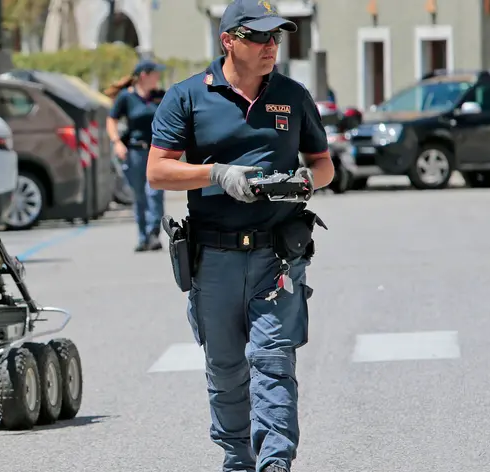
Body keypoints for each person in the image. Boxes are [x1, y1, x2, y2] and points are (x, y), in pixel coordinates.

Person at [145, 1, 334, 471]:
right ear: (229, 40)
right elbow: (157, 171)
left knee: (273, 363)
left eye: (277, 37)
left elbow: (323, 164)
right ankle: (237, 459)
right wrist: (218, 175)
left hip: (277, 257)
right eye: (260, 37)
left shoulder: (293, 96)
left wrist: (306, 181)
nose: (272, 46)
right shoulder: (187, 97)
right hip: (214, 257)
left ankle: (275, 462)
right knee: (227, 371)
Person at [105, 59, 167, 252]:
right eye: (155, 73)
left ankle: (153, 232)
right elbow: (111, 119)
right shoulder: (127, 97)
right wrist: (116, 142)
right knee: (140, 196)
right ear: (144, 76)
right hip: (135, 152)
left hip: (157, 151)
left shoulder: (160, 96)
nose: (158, 77)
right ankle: (143, 237)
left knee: (155, 192)